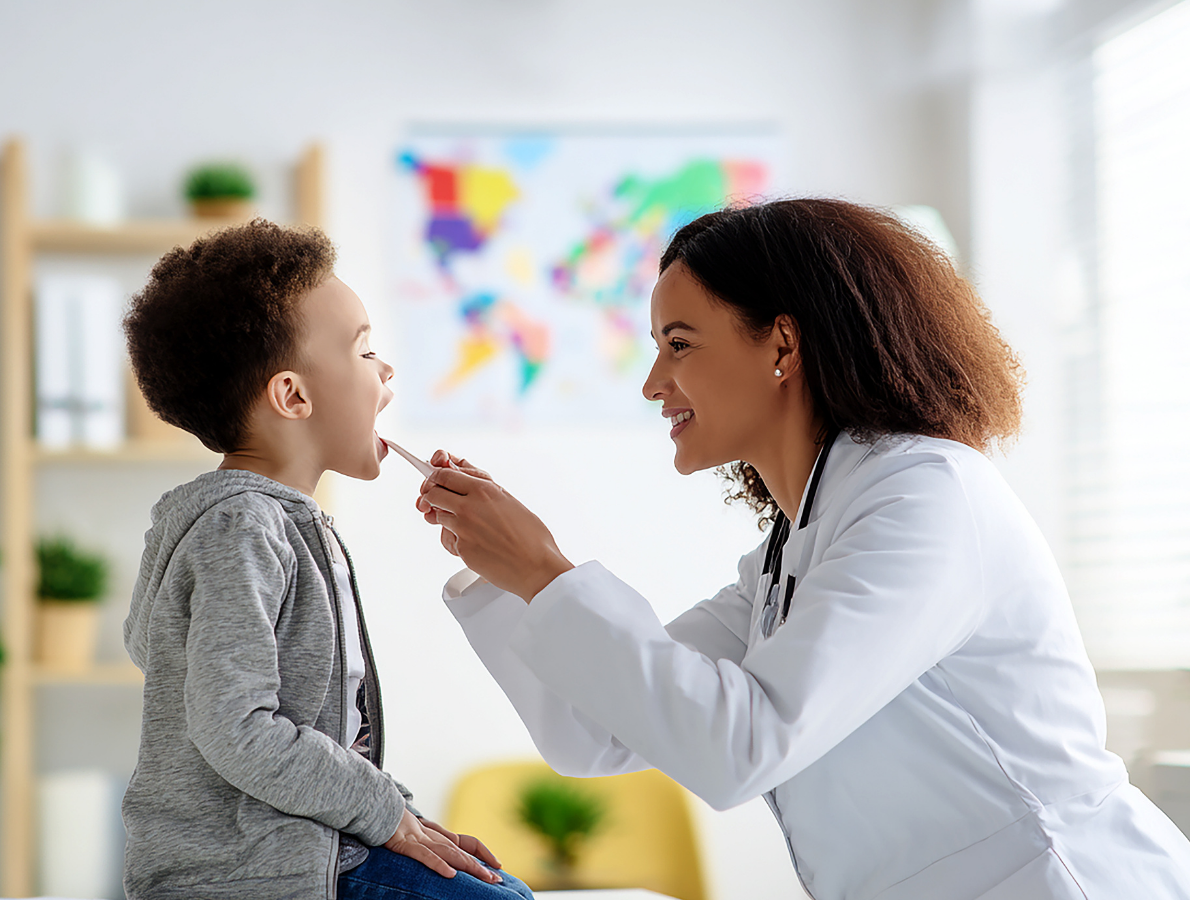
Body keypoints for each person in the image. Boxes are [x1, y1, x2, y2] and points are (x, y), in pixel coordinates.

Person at [415, 200, 1190, 899]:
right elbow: (595, 732)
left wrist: (546, 571)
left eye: (678, 344)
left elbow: (743, 747)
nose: (654, 384)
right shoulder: (795, 547)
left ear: (782, 342)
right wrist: (507, 575)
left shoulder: (927, 499)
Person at [120, 220, 532, 900]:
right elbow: (237, 728)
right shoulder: (242, 528)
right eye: (365, 351)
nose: (386, 369)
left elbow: (324, 731)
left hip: (306, 855)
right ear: (293, 397)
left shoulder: (276, 524)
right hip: (256, 876)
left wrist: (405, 815)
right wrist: (388, 817)